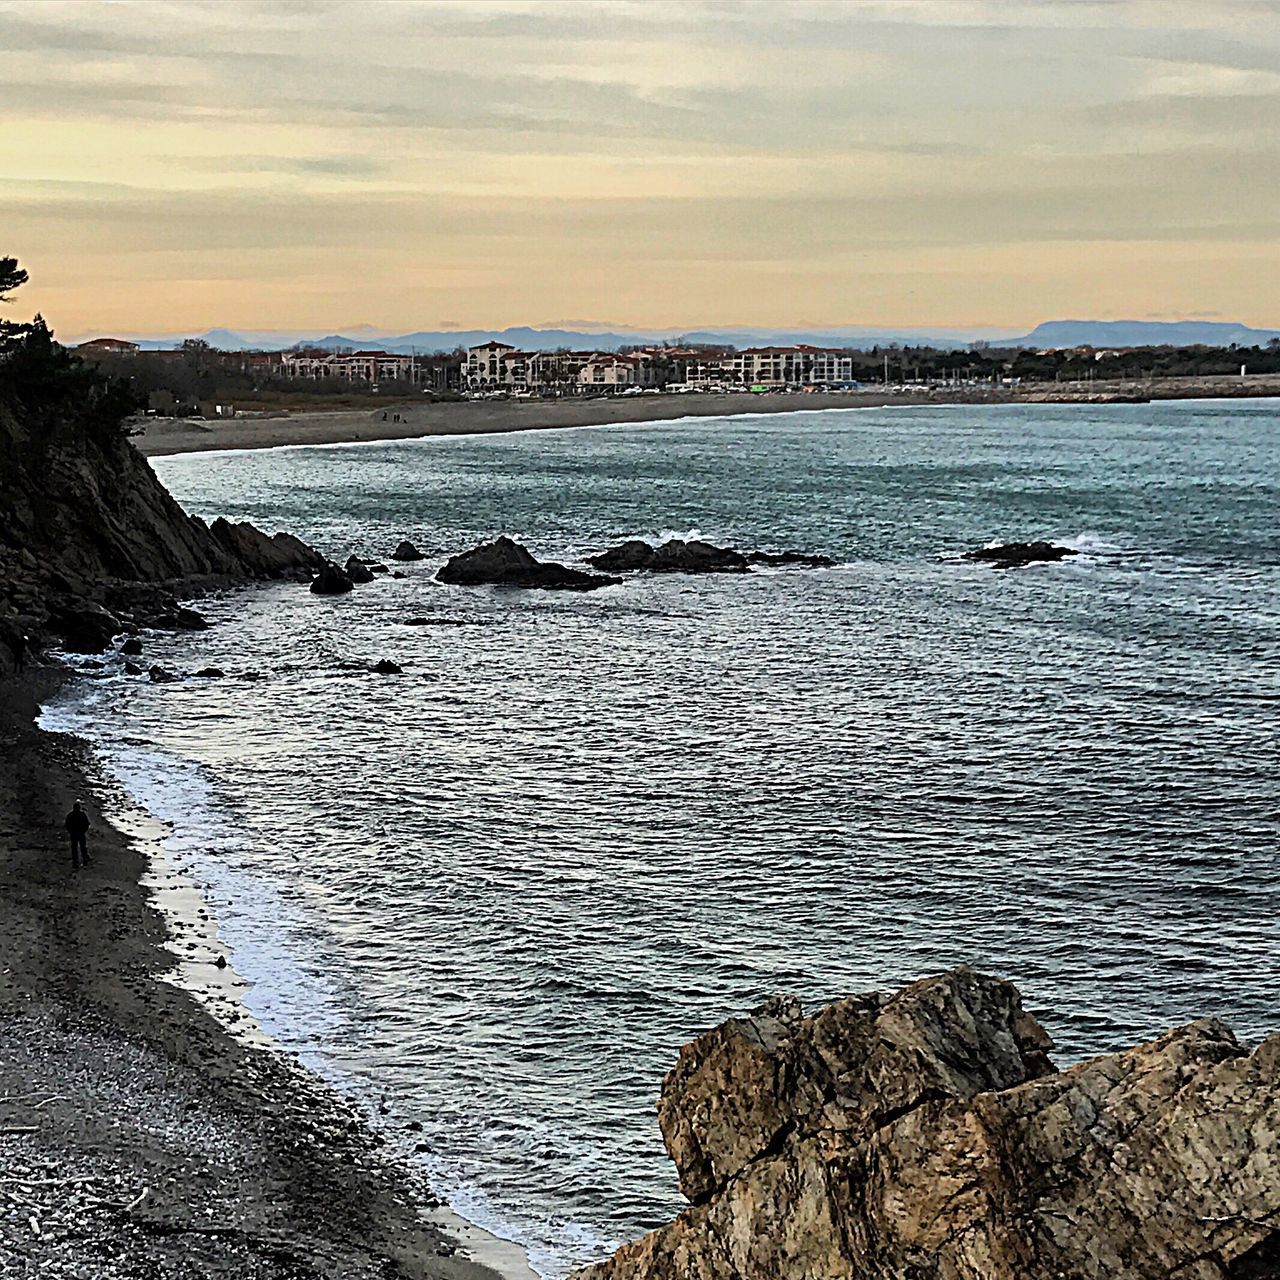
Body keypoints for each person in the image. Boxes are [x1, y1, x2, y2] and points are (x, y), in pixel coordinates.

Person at [65, 800, 91, 869]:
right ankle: (84, 860)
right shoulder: (82, 815)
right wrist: (83, 831)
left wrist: (70, 831)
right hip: (80, 833)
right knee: (82, 847)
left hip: (74, 834)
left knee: (75, 849)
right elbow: (87, 824)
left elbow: (67, 825)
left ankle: (75, 863)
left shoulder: (70, 815)